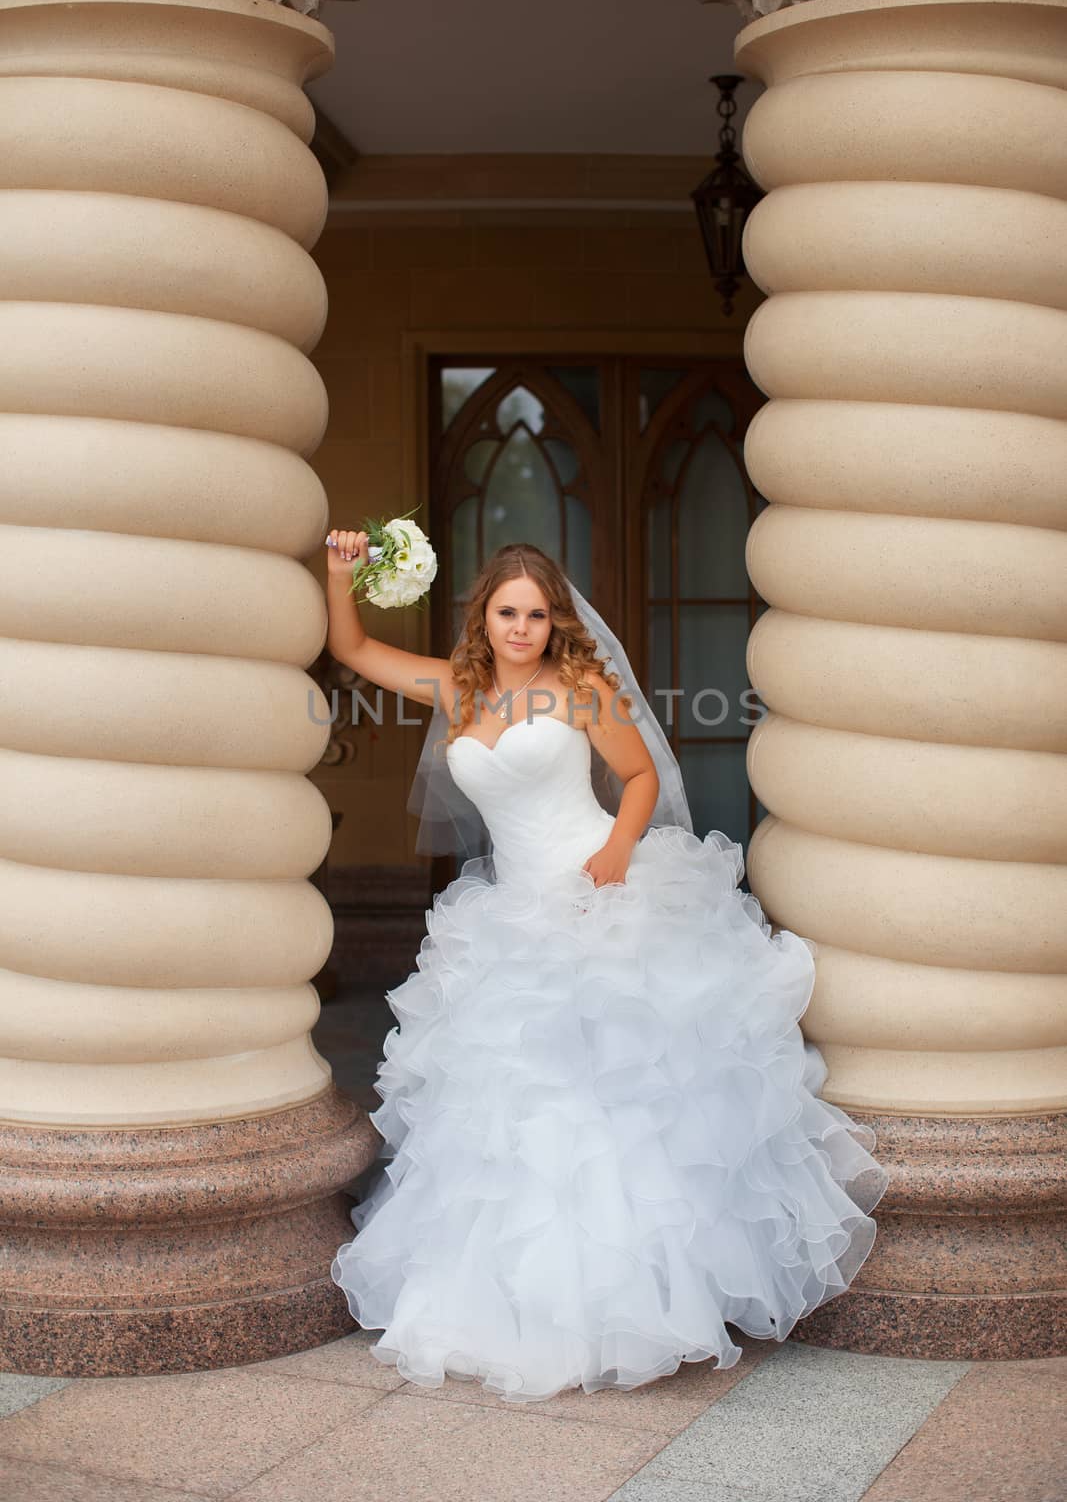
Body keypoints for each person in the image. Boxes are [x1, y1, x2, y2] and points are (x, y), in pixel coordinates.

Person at [322, 529, 890, 1405]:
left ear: (555, 622)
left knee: (616, 1091)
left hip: (601, 893)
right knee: (517, 1101)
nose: (522, 628)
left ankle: (645, 1302)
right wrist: (342, 571)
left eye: (537, 614)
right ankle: (513, 1302)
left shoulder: (580, 686)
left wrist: (618, 856)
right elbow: (351, 647)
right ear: (484, 617)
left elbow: (635, 780)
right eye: (507, 613)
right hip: (511, 915)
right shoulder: (454, 686)